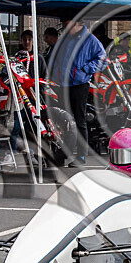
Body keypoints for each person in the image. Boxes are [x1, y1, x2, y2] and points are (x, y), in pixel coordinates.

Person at [47, 19, 107, 166]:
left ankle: (81, 155)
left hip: (79, 84)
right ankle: (61, 155)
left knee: (79, 120)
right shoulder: (66, 39)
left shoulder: (90, 40)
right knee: (63, 121)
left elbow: (103, 59)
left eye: (67, 25)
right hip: (62, 84)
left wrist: (85, 69)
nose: (65, 28)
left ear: (77, 24)